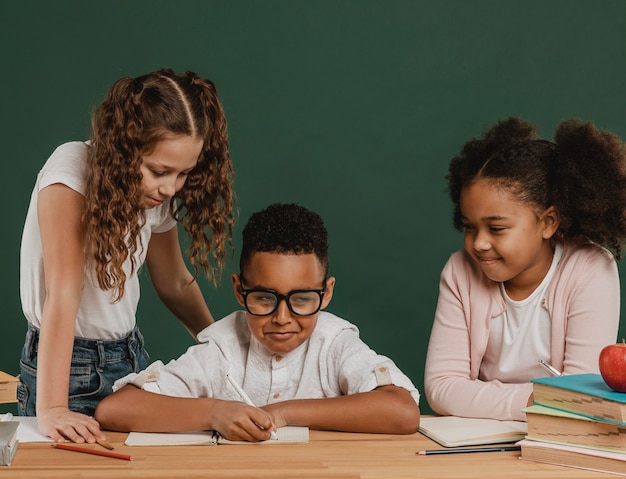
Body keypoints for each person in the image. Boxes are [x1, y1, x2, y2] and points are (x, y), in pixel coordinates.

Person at [19, 68, 235, 443]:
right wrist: (53, 408)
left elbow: (174, 283)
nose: (170, 188)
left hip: (131, 358)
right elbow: (63, 294)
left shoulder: (152, 197)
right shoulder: (70, 171)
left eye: (183, 174)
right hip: (68, 371)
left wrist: (219, 347)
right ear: (125, 147)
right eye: (159, 171)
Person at [95, 203, 420, 440]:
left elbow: (402, 411)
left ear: (327, 292)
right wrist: (215, 412)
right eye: (264, 298)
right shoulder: (222, 348)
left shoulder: (334, 341)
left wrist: (285, 412)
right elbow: (115, 410)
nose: (282, 318)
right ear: (239, 289)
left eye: (302, 299)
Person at [424, 117, 626, 422]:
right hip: (476, 442)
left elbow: (580, 397)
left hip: (556, 440)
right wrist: (538, 400)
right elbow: (440, 388)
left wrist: (480, 398)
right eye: (468, 227)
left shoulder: (591, 269)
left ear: (547, 222)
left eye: (496, 227)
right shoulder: (460, 270)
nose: (478, 243)